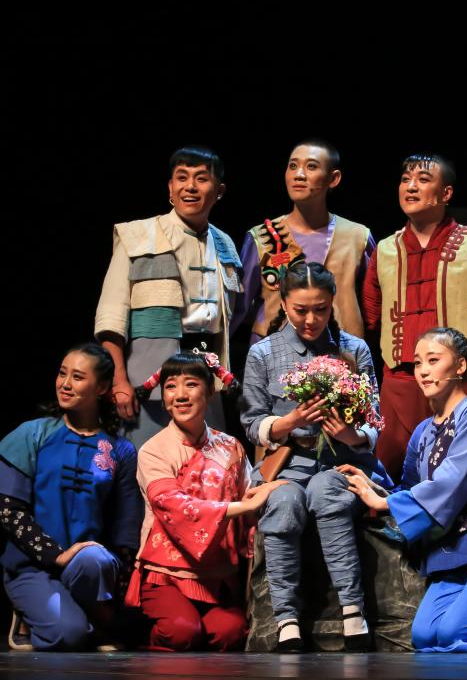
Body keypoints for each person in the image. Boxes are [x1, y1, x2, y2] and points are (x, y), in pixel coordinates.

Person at [241, 261, 392, 652]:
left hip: (342, 459)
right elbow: (252, 422)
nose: (311, 319)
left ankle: (353, 611)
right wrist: (288, 422)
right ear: (283, 304)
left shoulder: (354, 348)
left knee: (327, 490)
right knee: (284, 501)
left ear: (332, 303)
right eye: (300, 310)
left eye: (321, 309)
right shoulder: (263, 353)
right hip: (289, 462)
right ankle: (286, 619)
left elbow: (375, 420)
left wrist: (350, 434)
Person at [346, 327, 467, 652]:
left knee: (451, 634)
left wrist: (384, 503)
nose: (423, 371)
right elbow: (408, 488)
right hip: (449, 553)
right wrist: (366, 470)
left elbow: (451, 481)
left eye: (433, 360)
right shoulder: (423, 430)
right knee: (424, 636)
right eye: (418, 363)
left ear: (460, 365)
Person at [126, 352, 288, 651]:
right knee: (181, 632)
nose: (180, 395)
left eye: (191, 384)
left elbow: (247, 496)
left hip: (216, 574)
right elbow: (173, 505)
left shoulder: (230, 446)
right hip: (167, 573)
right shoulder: (154, 450)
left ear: (210, 391)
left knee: (230, 633)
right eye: (171, 387)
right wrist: (243, 507)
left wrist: (273, 490)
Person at [0, 344, 142, 651]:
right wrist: (54, 555)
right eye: (62, 374)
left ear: (101, 387)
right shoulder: (33, 434)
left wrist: (121, 582)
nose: (65, 384)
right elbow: (7, 508)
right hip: (33, 567)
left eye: (78, 377)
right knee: (68, 634)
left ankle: (85, 613)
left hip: (88, 568)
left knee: (94, 558)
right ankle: (67, 618)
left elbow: (125, 527)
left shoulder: (120, 450)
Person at [363, 153, 467, 482]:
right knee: (384, 471)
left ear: (446, 193)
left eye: (423, 180)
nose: (411, 187)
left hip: (457, 381)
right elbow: (371, 316)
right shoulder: (385, 248)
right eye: (405, 180)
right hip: (399, 381)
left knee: (456, 474)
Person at [94, 145, 243, 451]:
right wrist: (119, 380)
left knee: (207, 466)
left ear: (219, 191)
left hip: (206, 379)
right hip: (147, 380)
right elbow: (111, 315)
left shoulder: (225, 244)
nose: (190, 186)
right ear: (170, 188)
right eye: (182, 178)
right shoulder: (138, 236)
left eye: (202, 178)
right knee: (146, 462)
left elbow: (233, 315)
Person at [235, 139, 375, 344]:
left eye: (311, 166)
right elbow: (238, 307)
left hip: (340, 352)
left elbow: (374, 304)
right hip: (275, 352)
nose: (299, 174)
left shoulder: (357, 236)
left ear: (333, 178)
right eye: (293, 166)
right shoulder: (263, 237)